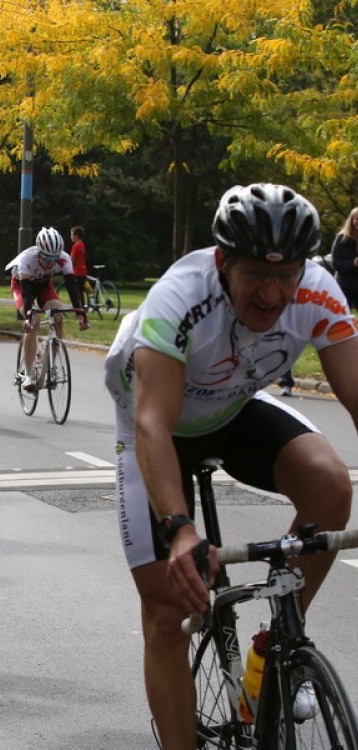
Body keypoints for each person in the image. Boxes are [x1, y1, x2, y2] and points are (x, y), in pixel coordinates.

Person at [104, 183, 358, 750]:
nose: (272, 295)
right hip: (158, 422)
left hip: (235, 404)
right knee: (168, 613)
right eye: (256, 277)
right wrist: (178, 529)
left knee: (330, 484)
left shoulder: (320, 293)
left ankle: (275, 649)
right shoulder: (180, 297)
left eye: (287, 275)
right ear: (223, 263)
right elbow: (152, 424)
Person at [6, 226, 89, 391]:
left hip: (44, 286)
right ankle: (28, 375)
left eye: (55, 259)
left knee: (58, 317)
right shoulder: (26, 259)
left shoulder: (64, 258)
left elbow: (73, 288)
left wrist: (80, 313)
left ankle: (48, 363)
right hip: (23, 287)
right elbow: (27, 293)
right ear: (39, 253)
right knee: (34, 322)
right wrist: (29, 316)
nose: (51, 263)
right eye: (47, 259)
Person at [330, 206, 358, 311]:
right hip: (344, 286)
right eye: (357, 219)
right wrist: (353, 264)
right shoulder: (341, 238)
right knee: (343, 317)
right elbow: (335, 263)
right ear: (351, 220)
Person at [69, 225, 88, 309]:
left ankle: (79, 308)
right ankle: (82, 307)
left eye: (71, 235)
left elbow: (72, 260)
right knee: (81, 291)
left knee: (76, 291)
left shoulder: (75, 246)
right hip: (83, 271)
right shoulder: (82, 245)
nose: (71, 237)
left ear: (76, 236)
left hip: (77, 271)